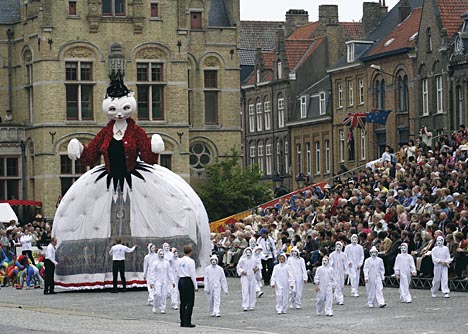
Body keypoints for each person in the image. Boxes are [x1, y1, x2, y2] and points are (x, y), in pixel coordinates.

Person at [178, 245, 198, 328]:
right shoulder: (191, 261)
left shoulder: (180, 260)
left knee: (183, 302)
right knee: (190, 302)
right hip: (187, 280)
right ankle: (187, 321)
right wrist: (195, 285)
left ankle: (182, 321)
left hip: (181, 280)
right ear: (190, 252)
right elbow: (192, 273)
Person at [150, 249, 174, 314]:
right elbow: (152, 273)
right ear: (158, 255)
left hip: (165, 281)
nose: (162, 255)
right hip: (157, 281)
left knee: (164, 295)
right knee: (157, 294)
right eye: (160, 254)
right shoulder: (155, 263)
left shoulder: (167, 263)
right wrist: (152, 282)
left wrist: (172, 281)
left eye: (163, 254)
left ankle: (162, 308)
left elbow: (169, 272)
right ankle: (155, 306)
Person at [237, 247, 258, 311]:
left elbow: (257, 266)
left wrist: (256, 269)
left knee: (252, 291)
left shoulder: (254, 260)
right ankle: (245, 305)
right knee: (245, 291)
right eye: (247, 252)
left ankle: (252, 305)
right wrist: (242, 271)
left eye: (249, 252)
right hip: (245, 277)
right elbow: (238, 267)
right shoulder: (242, 260)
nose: (248, 253)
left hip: (252, 276)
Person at [329, 241, 348, 305]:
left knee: (341, 285)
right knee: (337, 285)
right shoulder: (332, 254)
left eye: (339, 246)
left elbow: (346, 264)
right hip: (334, 272)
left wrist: (346, 272)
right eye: (337, 246)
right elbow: (330, 264)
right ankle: (340, 299)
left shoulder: (344, 255)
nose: (338, 248)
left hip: (341, 272)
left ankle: (337, 297)